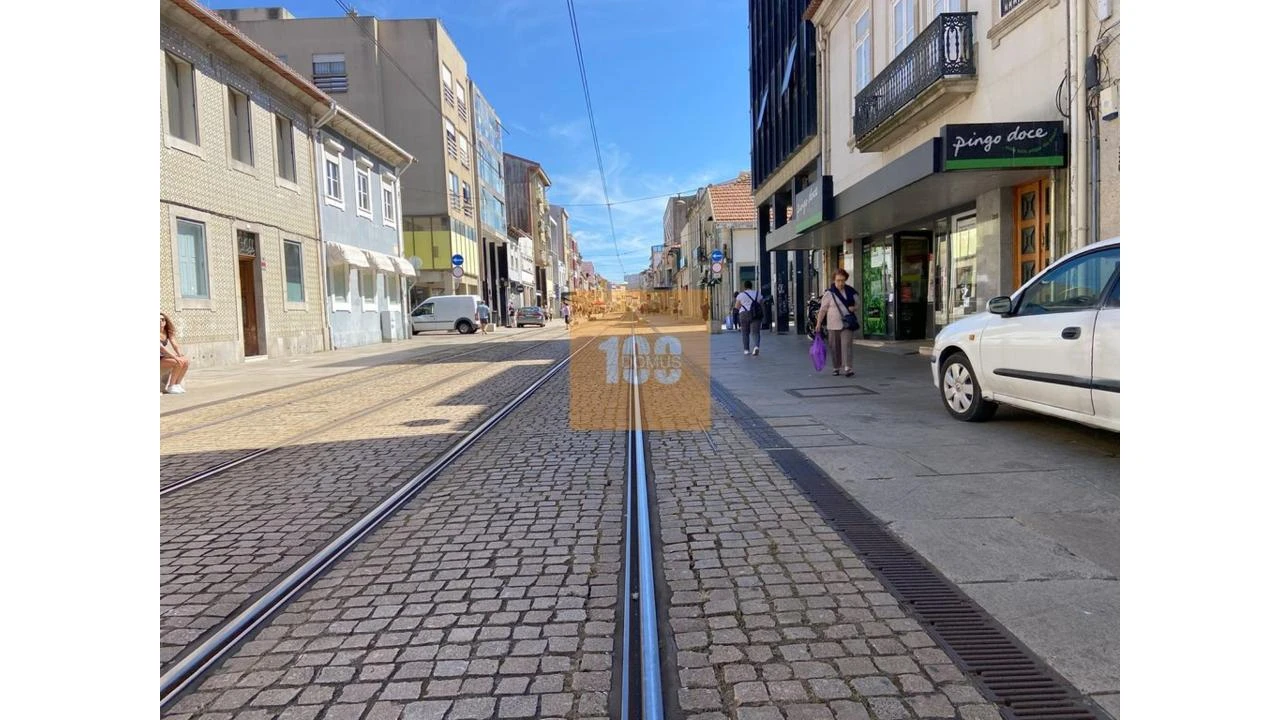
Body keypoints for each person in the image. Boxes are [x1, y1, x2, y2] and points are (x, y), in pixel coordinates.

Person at [816, 268, 859, 377]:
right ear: (834, 280)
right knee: (834, 347)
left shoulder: (851, 291)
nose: (840, 283)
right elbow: (823, 309)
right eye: (838, 280)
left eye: (843, 280)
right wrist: (818, 323)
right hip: (833, 324)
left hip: (847, 323)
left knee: (847, 345)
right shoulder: (829, 293)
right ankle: (836, 367)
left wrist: (854, 308)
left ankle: (848, 368)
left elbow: (858, 304)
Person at [160, 312, 190, 394]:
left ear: (165, 322)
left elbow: (175, 345)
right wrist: (175, 357)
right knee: (176, 362)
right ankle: (171, 386)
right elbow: (162, 349)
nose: (160, 321)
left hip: (162, 357)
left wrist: (179, 354)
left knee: (186, 361)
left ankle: (177, 384)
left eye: (162, 319)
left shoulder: (167, 332)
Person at [734, 281, 763, 356]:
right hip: (756, 314)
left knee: (745, 332)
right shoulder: (757, 293)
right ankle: (756, 346)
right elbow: (761, 303)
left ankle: (746, 350)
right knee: (756, 332)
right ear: (751, 286)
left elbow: (737, 306)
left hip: (744, 314)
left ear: (744, 287)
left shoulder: (741, 295)